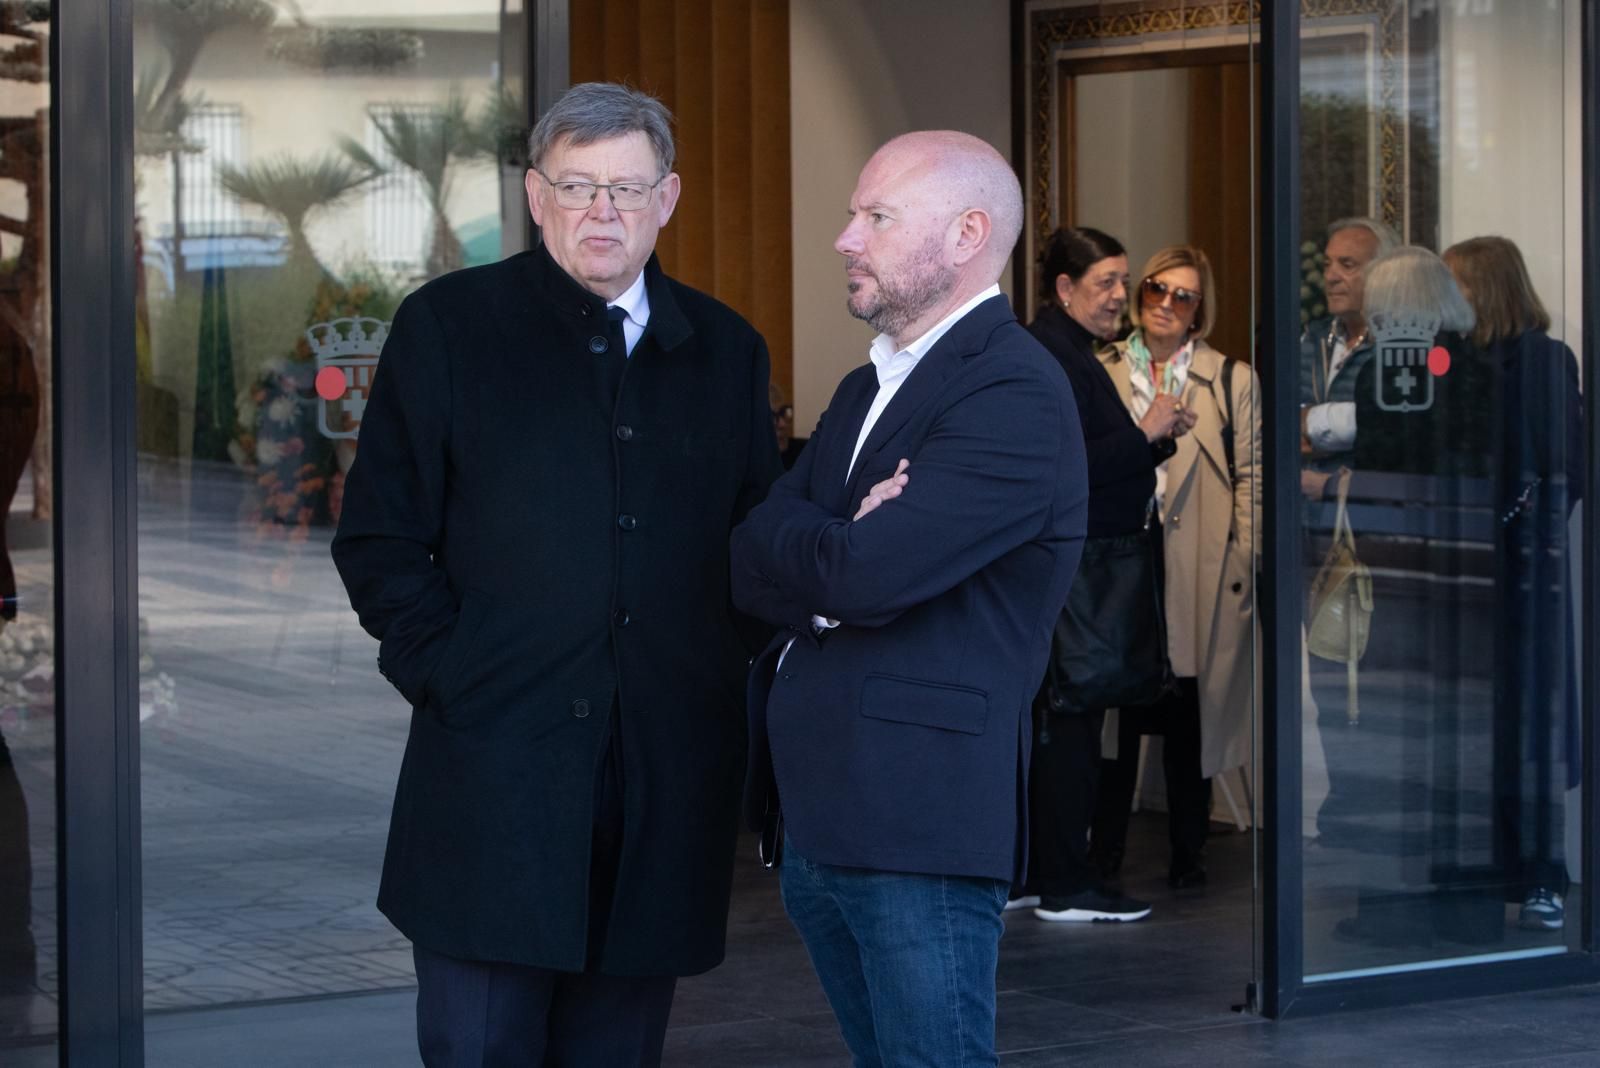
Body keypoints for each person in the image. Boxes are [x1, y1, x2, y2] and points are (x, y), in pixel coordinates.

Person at [330, 82, 782, 1066]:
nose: (602, 212)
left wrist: (709, 664)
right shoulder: (448, 328)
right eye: (577, 186)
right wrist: (451, 673)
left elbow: (754, 542)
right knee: (476, 1046)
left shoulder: (725, 352)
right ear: (535, 197)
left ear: (667, 200)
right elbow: (379, 539)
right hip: (494, 768)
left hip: (663, 776)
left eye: (627, 188)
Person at [730, 130, 1086, 1067]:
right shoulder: (864, 388)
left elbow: (865, 573)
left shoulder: (1014, 390)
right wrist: (837, 541)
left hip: (917, 823)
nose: (847, 238)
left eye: (876, 216)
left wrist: (831, 552)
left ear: (968, 233)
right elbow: (751, 546)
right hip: (822, 812)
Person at [1014, 226, 1191, 924]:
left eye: (1126, 282)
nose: (1123, 296)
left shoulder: (1066, 351)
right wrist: (1147, 433)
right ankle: (1063, 879)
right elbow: (1065, 469)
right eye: (1107, 283)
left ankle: (1036, 872)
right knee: (1070, 728)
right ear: (1063, 288)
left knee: (1064, 726)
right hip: (1075, 577)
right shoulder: (1051, 354)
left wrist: (1151, 437)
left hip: (1075, 573)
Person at [1092, 245, 1258, 891]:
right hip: (1118, 559)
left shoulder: (1232, 379)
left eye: (1182, 296)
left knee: (1191, 711)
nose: (1165, 304)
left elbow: (1255, 479)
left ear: (1199, 311)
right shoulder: (1100, 368)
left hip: (1199, 566)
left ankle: (1189, 855)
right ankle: (1100, 855)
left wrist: (1244, 558)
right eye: (1156, 289)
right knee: (1114, 712)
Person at [1444, 236, 1582, 931]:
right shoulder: (1453, 363)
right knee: (1480, 726)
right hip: (1472, 575)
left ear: (1486, 290)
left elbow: (1564, 469)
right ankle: (1493, 868)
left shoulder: (1542, 361)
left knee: (1530, 724)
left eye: (1456, 286)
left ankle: (1540, 874)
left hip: (1523, 578)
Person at [1299, 217, 1399, 473]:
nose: (1330, 277)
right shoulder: (1312, 337)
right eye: (1326, 264)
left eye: (1347, 264)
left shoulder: (1397, 345)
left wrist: (1312, 424)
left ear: (1383, 272)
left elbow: (1388, 426)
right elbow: (1280, 418)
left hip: (1366, 500)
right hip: (1305, 504)